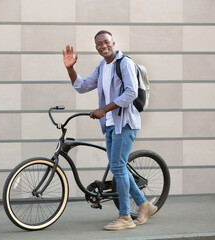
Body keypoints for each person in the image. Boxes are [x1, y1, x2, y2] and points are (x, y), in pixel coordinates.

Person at [62, 30, 157, 231]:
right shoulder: (102, 67)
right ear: (96, 47)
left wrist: (104, 109)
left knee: (118, 166)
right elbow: (82, 86)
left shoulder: (125, 63)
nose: (103, 46)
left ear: (113, 42)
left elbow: (131, 92)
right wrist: (71, 69)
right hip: (111, 124)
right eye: (98, 44)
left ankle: (125, 217)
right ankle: (144, 205)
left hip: (126, 122)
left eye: (106, 42)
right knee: (118, 166)